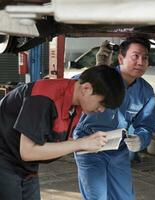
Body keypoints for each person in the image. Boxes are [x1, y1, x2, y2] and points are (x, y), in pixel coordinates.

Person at [0, 65, 125, 200]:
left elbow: (54, 139)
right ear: (86, 88)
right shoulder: (43, 98)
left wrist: (87, 144)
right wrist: (80, 143)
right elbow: (28, 152)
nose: (101, 110)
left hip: (25, 166)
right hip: (5, 160)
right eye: (102, 103)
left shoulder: (76, 101)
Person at [73, 37, 155, 200]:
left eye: (145, 58)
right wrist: (97, 71)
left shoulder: (145, 91)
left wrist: (141, 139)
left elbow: (146, 125)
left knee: (124, 197)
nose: (140, 62)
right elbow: (72, 89)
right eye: (135, 56)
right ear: (120, 58)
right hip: (89, 145)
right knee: (97, 197)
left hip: (118, 150)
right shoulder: (101, 76)